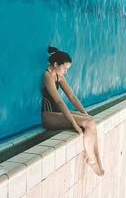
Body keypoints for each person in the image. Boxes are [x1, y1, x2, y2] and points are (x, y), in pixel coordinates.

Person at [41, 46, 104, 176]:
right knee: (88, 124)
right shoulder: (47, 76)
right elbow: (58, 101)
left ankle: (96, 159)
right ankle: (91, 160)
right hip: (47, 116)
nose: (65, 71)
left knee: (90, 121)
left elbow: (72, 97)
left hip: (56, 114)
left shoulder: (58, 76)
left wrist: (85, 114)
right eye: (64, 68)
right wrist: (74, 124)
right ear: (55, 64)